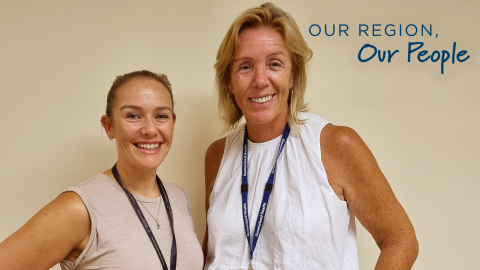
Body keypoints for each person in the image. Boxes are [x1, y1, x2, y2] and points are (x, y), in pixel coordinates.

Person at [203, 3, 418, 270]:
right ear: (229, 82)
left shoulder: (335, 144)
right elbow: (215, 252)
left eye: (274, 64)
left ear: (293, 75)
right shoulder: (216, 155)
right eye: (245, 67)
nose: (260, 79)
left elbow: (400, 240)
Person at [0, 70, 203, 270]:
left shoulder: (179, 197)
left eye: (161, 116)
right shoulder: (81, 207)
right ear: (109, 126)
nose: (150, 129)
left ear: (173, 123)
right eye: (133, 116)